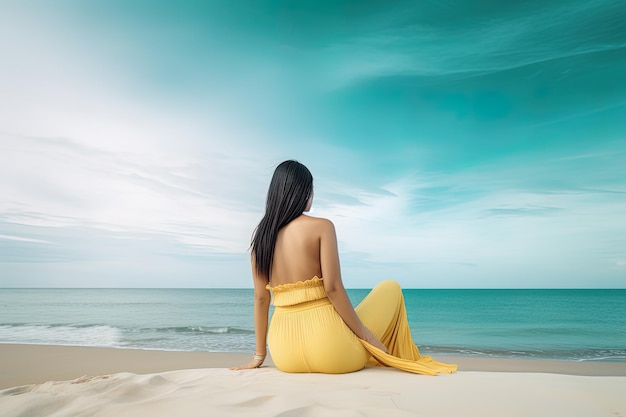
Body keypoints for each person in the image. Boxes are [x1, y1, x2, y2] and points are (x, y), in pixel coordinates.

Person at [231, 160, 456, 375]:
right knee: (391, 287)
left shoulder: (261, 241)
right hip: (332, 351)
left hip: (285, 356)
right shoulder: (322, 227)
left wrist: (259, 356)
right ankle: (385, 353)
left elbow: (261, 299)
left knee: (354, 317)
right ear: (301, 192)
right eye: (311, 189)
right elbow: (333, 289)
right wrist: (367, 339)